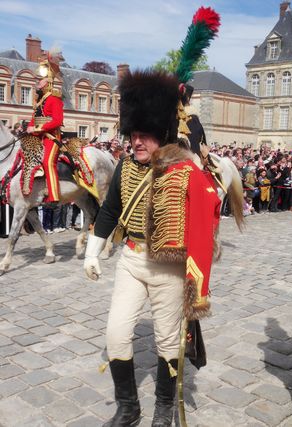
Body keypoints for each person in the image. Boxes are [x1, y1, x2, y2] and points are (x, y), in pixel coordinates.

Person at [83, 69, 221, 427]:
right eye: (133, 135)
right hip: (131, 258)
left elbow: (207, 215)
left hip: (169, 269)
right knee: (116, 333)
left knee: (166, 341)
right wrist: (91, 252)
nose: (137, 142)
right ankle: (128, 407)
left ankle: (163, 407)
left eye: (144, 135)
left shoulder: (184, 169)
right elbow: (111, 210)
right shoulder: (126, 166)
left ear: (162, 134)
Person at [27, 51, 63, 203]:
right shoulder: (39, 101)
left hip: (51, 137)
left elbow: (57, 121)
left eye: (40, 80)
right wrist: (28, 128)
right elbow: (33, 119)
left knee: (48, 161)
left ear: (47, 82)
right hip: (37, 136)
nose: (37, 83)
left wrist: (37, 129)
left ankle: (54, 195)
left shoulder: (54, 99)